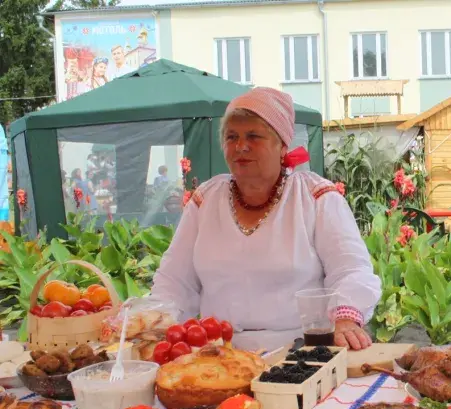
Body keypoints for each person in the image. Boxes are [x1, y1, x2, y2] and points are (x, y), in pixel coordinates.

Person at [150, 87, 380, 352]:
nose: (240, 146)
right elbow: (174, 280)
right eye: (231, 137)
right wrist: (155, 321)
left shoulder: (316, 197)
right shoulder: (206, 200)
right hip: (216, 356)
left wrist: (345, 318)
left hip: (301, 353)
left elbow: (351, 270)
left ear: (282, 145)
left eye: (254, 136)